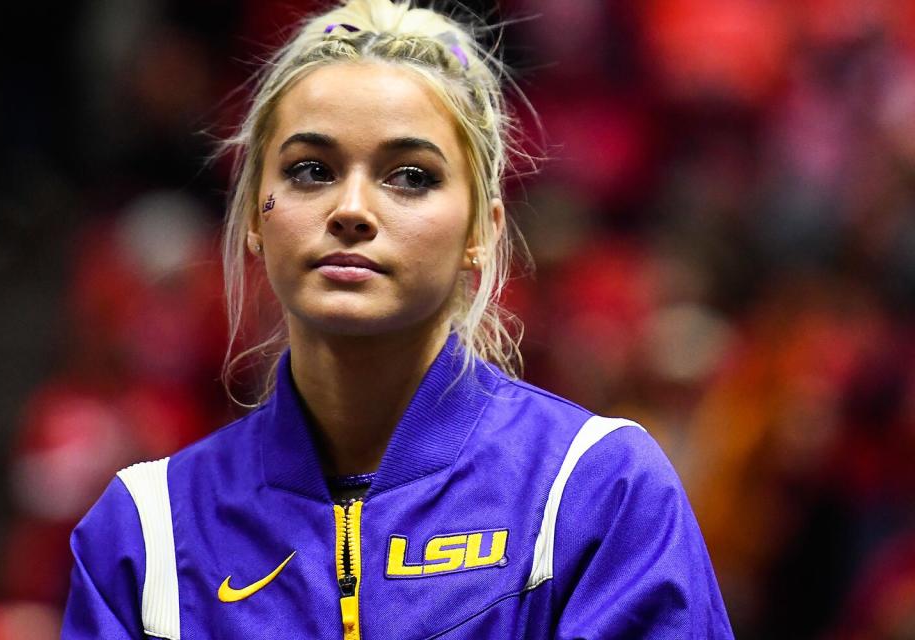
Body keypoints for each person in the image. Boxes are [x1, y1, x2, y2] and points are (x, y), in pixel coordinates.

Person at [62, 0, 734, 637]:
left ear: (483, 230)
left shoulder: (595, 490)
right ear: (254, 220)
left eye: (410, 176)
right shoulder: (145, 532)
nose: (351, 208)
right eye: (309, 170)